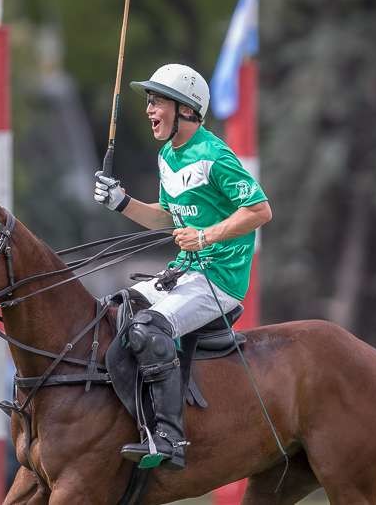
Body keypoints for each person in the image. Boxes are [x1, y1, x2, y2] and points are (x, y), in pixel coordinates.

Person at [93, 63, 272, 470]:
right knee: (111, 313)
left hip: (218, 279)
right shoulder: (166, 157)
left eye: (157, 101)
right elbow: (166, 218)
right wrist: (121, 202)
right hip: (183, 271)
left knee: (148, 328)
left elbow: (260, 210)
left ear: (185, 109)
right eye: (149, 102)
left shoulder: (214, 155)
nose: (149, 110)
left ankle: (170, 438)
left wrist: (206, 236)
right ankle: (130, 422)